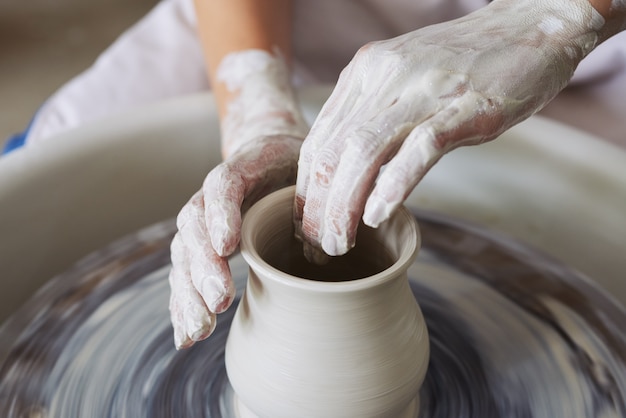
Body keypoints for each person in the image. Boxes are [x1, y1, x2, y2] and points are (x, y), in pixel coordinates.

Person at [4, 0, 625, 349]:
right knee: (51, 154)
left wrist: (559, 21)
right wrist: (258, 115)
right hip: (316, 12)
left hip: (600, 51)